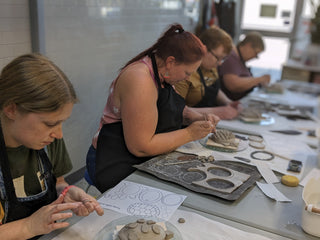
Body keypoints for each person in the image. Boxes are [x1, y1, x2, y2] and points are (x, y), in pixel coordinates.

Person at [87, 24, 220, 193]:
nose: (187, 78)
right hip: (115, 161)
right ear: (171, 61)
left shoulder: (163, 73)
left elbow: (169, 108)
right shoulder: (140, 79)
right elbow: (141, 146)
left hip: (145, 159)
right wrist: (190, 134)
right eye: (187, 73)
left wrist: (195, 117)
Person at [0, 54, 104, 240]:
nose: (59, 134)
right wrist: (28, 226)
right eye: (49, 124)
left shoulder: (48, 140)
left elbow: (58, 181)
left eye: (61, 122)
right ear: (11, 109)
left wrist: (65, 192)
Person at [174, 26, 242, 120]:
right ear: (204, 49)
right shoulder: (185, 72)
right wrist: (216, 112)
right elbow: (175, 111)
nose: (219, 63)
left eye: (223, 58)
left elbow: (212, 88)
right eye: (218, 57)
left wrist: (227, 102)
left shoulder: (211, 66)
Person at [218, 31, 271, 101]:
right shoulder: (231, 57)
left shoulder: (240, 59)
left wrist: (259, 82)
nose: (255, 57)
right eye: (256, 53)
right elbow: (232, 84)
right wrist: (259, 79)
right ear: (248, 45)